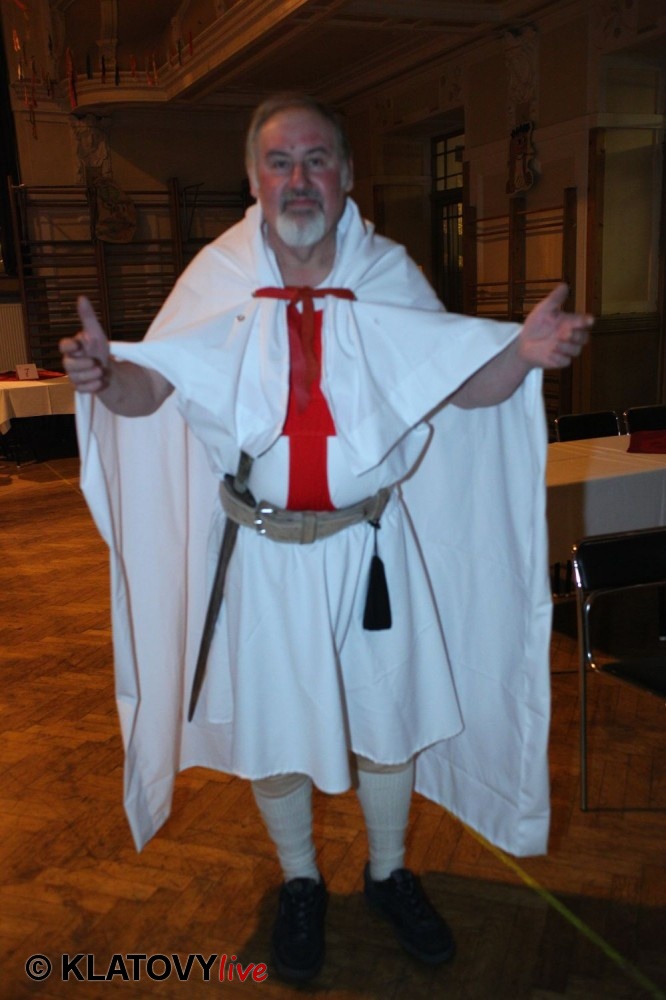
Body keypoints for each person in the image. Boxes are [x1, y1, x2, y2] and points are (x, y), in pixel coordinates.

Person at [60, 93, 591, 983]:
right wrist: (106, 375)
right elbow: (153, 388)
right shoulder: (217, 276)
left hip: (370, 550)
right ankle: (302, 880)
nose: (298, 179)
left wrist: (521, 355)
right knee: (273, 726)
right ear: (254, 178)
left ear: (345, 175)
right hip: (262, 556)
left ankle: (388, 872)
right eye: (280, 162)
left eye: (316, 160)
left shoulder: (386, 272)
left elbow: (459, 381)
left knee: (388, 720)